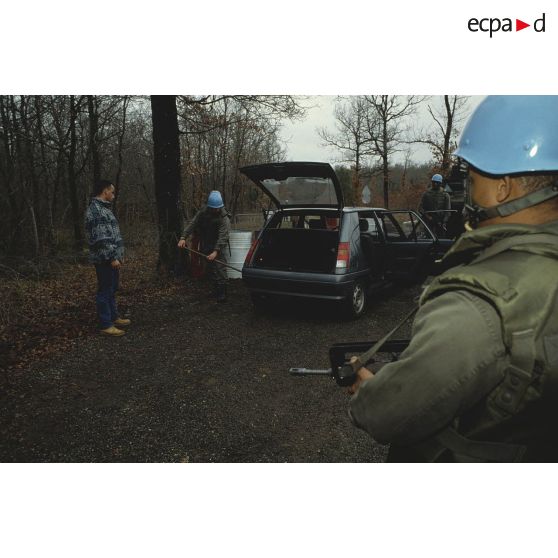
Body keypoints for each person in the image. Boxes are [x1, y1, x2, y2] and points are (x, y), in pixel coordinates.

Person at [348, 96, 558, 462]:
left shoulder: (477, 305)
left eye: (472, 177)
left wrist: (367, 393)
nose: (467, 191)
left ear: (503, 188)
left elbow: (388, 414)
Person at [85, 180, 130, 336]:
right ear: (105, 191)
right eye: (112, 191)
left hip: (111, 257)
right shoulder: (96, 210)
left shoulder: (105, 209)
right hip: (104, 259)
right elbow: (101, 238)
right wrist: (112, 257)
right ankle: (106, 324)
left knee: (111, 288)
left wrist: (118, 254)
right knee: (105, 290)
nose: (113, 194)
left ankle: (114, 316)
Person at [178, 190, 230, 302]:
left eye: (218, 208)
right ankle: (215, 290)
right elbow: (193, 223)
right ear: (209, 206)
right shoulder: (203, 211)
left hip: (218, 244)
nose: (216, 210)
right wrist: (183, 237)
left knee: (220, 268)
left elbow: (223, 237)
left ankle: (222, 293)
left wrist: (216, 251)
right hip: (207, 242)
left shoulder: (223, 217)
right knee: (210, 268)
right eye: (214, 208)